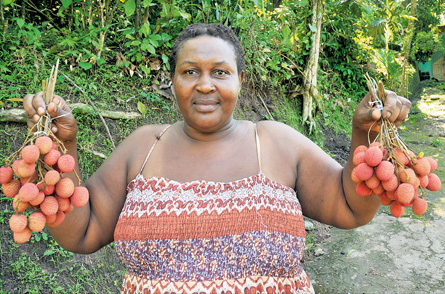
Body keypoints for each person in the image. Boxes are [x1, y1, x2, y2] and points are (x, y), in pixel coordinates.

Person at [23, 23, 411, 293]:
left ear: (240, 80)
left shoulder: (276, 141)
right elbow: (81, 232)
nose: (205, 84)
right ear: (172, 81)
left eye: (220, 72)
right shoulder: (142, 147)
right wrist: (60, 148)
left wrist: (368, 135)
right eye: (190, 71)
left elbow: (351, 208)